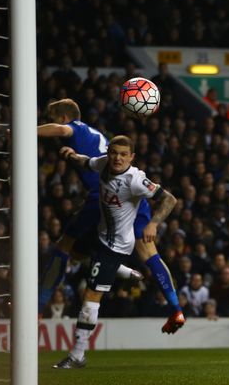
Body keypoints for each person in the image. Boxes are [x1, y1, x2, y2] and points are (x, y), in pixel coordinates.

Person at [37, 99, 185, 334]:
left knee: (65, 247)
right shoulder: (92, 134)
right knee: (147, 252)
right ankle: (176, 309)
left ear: (64, 117)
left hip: (103, 198)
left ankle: (37, 308)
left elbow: (60, 130)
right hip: (134, 199)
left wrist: (24, 131)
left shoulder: (72, 127)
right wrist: (72, 156)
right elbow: (89, 161)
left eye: (50, 117)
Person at [53, 135, 178, 368]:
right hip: (99, 234)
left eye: (123, 154)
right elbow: (85, 161)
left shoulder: (136, 180)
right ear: (108, 152)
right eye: (114, 153)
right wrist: (71, 155)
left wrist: (153, 224)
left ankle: (78, 355)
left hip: (115, 246)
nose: (117, 158)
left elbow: (169, 200)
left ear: (132, 157)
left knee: (90, 296)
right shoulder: (103, 163)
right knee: (74, 251)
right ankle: (123, 272)